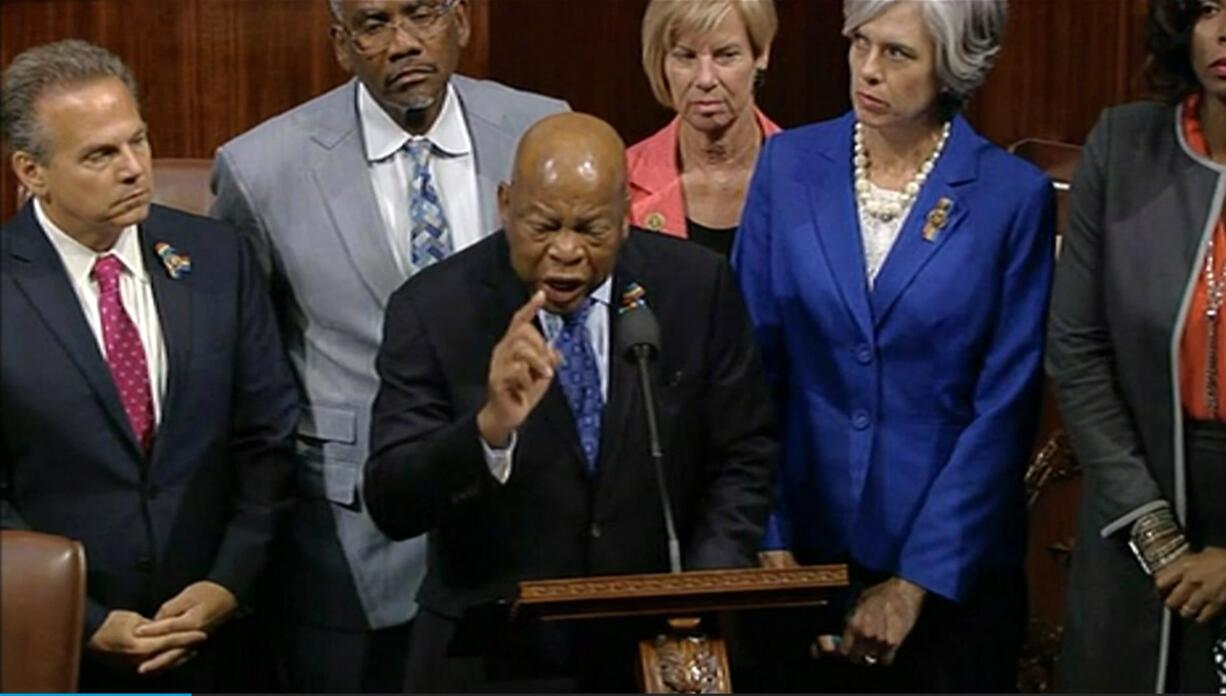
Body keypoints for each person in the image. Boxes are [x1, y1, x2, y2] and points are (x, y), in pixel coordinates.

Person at [209, 0, 568, 690]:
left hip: (522, 516)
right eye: (375, 24)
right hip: (352, 540)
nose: (404, 42)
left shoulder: (540, 126)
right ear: (341, 43)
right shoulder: (262, 169)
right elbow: (246, 374)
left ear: (461, 20)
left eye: (423, 14)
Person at [363, 112, 777, 692]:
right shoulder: (433, 309)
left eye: (592, 230)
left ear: (626, 221)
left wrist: (704, 587)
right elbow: (391, 500)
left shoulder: (695, 288)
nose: (566, 251)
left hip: (652, 651)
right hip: (492, 658)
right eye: (543, 226)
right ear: (506, 205)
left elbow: (743, 454)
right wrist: (487, 430)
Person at [732, 0, 1055, 690]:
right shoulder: (788, 165)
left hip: (947, 577)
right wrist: (769, 535)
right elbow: (749, 368)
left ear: (952, 67)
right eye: (859, 44)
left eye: (898, 53)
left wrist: (915, 582)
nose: (868, 70)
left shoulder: (1012, 198)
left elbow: (1004, 409)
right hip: (799, 560)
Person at [0, 40, 296, 692]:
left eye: (137, 141)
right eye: (101, 154)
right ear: (32, 171)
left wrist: (227, 583)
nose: (135, 168)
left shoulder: (218, 258)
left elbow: (268, 440)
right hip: (57, 652)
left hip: (220, 638)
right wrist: (84, 618)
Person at [1051, 0, 1226, 691]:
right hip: (1139, 504)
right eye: (1209, 6)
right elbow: (1076, 346)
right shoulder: (1124, 146)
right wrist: (1152, 532)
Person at [627, 0, 780, 255]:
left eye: (726, 55)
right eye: (685, 56)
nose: (705, 79)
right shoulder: (623, 183)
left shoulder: (809, 178)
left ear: (761, 54)